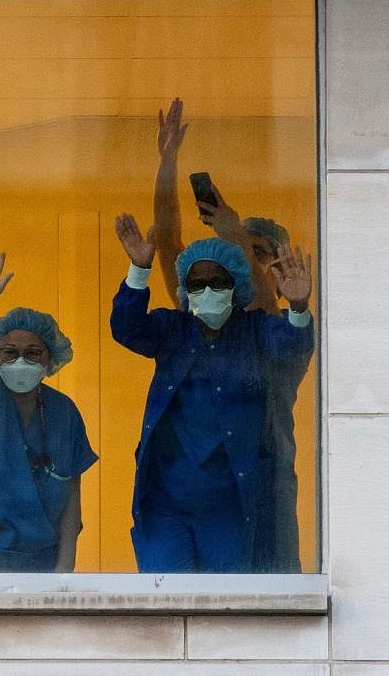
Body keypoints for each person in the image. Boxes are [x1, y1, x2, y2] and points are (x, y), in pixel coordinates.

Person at [151, 97, 312, 573]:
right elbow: (167, 242)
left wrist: (237, 232)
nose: (247, 259)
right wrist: (167, 162)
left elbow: (263, 301)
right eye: (244, 252)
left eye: (260, 253)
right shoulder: (198, 313)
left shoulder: (282, 331)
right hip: (194, 496)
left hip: (263, 488)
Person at [110, 213, 314, 573]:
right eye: (198, 284)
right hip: (165, 504)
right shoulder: (174, 329)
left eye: (218, 282)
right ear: (185, 292)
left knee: (224, 607)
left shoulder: (255, 330)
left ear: (237, 287)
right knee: (166, 600)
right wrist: (139, 269)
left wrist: (298, 308)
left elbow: (291, 348)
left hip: (230, 504)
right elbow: (127, 328)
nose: (208, 291)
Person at [0, 250, 97, 572]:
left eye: (32, 353)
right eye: (10, 353)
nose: (20, 361)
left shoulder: (63, 412)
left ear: (49, 360)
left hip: (41, 554)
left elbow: (71, 494)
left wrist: (65, 565)